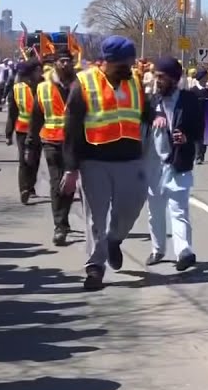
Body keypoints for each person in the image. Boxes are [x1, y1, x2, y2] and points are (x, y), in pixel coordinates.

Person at [60, 36, 150, 291]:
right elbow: (72, 129)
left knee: (131, 208)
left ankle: (115, 239)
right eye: (122, 63)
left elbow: (147, 113)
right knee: (95, 217)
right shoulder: (84, 83)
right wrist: (71, 168)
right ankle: (95, 267)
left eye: (130, 62)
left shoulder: (135, 82)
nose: (128, 67)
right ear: (106, 62)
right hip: (95, 160)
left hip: (130, 159)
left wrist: (160, 119)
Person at [144, 58, 203, 272]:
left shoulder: (189, 101)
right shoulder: (151, 101)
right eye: (155, 76)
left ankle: (184, 253)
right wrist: (155, 115)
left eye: (161, 77)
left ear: (174, 79)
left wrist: (186, 137)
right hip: (153, 165)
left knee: (178, 210)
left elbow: (199, 130)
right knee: (155, 210)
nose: (157, 81)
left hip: (178, 162)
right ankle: (158, 249)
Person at [30, 48, 79, 246]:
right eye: (61, 61)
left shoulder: (81, 84)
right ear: (55, 63)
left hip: (76, 142)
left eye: (68, 61)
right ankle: (60, 226)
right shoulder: (43, 87)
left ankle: (65, 221)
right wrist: (29, 145)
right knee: (57, 182)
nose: (65, 64)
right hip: (52, 141)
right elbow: (36, 118)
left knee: (72, 184)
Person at [5, 60, 43, 204]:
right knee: (24, 160)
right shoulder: (17, 88)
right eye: (38, 70)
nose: (40, 73)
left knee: (35, 160)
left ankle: (30, 186)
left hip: (39, 130)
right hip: (23, 129)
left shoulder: (43, 86)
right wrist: (9, 133)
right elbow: (12, 112)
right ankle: (24, 189)